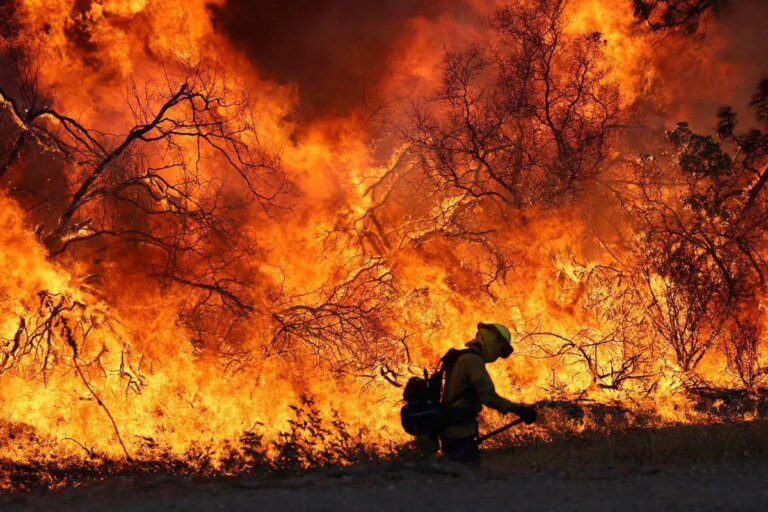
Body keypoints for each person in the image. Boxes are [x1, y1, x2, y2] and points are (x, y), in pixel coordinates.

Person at [439, 322, 537, 464]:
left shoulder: (460, 358)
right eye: (499, 349)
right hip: (460, 432)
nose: (498, 355)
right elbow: (488, 397)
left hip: (449, 430)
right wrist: (519, 409)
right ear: (492, 342)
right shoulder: (473, 361)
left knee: (456, 477)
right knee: (467, 478)